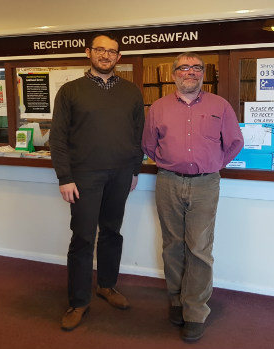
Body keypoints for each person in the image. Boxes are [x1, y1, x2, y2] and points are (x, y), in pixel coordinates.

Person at [141, 52, 244, 342]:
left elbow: (235, 142)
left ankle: (195, 310)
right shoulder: (158, 107)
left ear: (203, 74)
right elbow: (149, 145)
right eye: (184, 67)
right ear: (174, 74)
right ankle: (176, 299)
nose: (191, 72)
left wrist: (212, 163)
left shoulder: (219, 106)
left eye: (197, 68)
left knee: (199, 248)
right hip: (168, 182)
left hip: (205, 185)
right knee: (172, 245)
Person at [49, 32, 145, 331]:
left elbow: (137, 135)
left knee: (112, 233)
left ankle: (107, 285)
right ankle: (78, 301)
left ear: (119, 57)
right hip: (84, 177)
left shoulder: (131, 92)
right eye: (100, 50)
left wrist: (134, 171)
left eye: (112, 52)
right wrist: (65, 177)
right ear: (88, 53)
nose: (106, 55)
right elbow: (58, 138)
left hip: (120, 174)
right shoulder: (70, 91)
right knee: (83, 238)